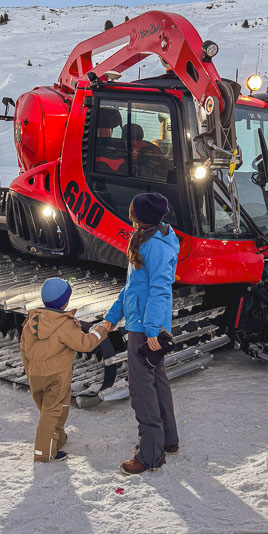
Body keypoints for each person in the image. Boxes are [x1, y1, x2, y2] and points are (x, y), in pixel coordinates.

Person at [103, 193, 180, 475]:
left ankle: (149, 455)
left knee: (141, 390)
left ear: (141, 216)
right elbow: (133, 287)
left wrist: (151, 331)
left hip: (145, 328)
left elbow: (161, 289)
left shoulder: (155, 246)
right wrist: (112, 318)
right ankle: (168, 441)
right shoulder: (145, 238)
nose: (129, 213)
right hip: (143, 322)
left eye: (133, 210)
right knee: (157, 383)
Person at [21, 277, 108, 463]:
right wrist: (101, 331)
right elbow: (85, 344)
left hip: (36, 375)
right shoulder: (64, 324)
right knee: (52, 412)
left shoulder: (31, 322)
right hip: (56, 376)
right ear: (65, 302)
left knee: (51, 409)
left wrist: (30, 372)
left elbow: (24, 350)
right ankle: (43, 453)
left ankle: (57, 439)